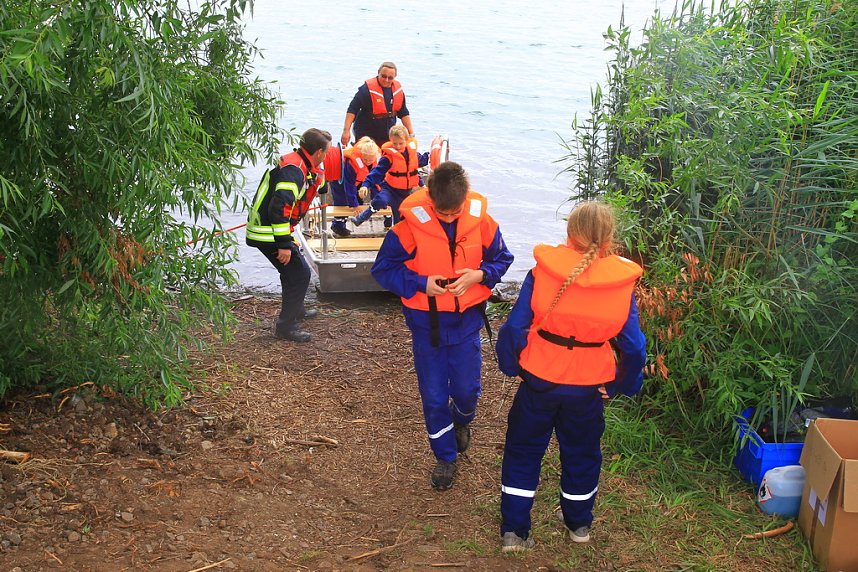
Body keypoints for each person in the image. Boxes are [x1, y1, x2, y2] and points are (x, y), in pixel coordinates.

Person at [495, 201, 646, 552]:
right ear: (609, 236)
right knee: (582, 453)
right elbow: (635, 348)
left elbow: (514, 329)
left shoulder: (544, 271)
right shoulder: (621, 282)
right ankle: (578, 525)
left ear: (570, 232)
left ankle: (514, 532)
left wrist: (513, 367)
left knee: (523, 452)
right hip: (588, 387)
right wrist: (620, 385)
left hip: (539, 379)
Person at [371, 161, 514, 490]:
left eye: (455, 213)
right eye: (441, 213)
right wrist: (421, 283)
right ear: (430, 198)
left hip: (466, 322)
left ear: (465, 200)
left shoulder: (482, 223)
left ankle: (461, 421)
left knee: (467, 392)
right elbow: (383, 269)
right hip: (427, 325)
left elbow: (502, 258)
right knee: (434, 397)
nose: (448, 218)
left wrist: (480, 275)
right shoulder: (409, 228)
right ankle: (445, 457)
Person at [245, 128, 332, 343]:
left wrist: (322, 184)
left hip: (271, 229)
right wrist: (284, 244)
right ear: (319, 152)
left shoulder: (302, 165)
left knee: (292, 272)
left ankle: (297, 310)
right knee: (300, 273)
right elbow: (279, 209)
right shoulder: (294, 171)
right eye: (326, 152)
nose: (326, 157)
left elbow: (315, 183)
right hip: (268, 231)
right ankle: (286, 326)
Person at [350, 125, 428, 228]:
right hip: (390, 189)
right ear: (391, 140)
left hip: (405, 192)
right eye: (395, 143)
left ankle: (398, 234)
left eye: (401, 143)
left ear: (406, 140)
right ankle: (363, 216)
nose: (398, 146)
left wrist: (433, 154)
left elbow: (417, 167)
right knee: (380, 200)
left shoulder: (413, 155)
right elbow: (376, 172)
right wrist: (365, 185)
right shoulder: (388, 158)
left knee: (400, 220)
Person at [341, 61, 415, 147]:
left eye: (390, 78)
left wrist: (411, 134)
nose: (386, 80)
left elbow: (404, 113)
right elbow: (352, 109)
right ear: (378, 73)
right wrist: (346, 131)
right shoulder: (365, 90)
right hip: (365, 133)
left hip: (387, 134)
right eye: (383, 76)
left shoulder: (397, 91)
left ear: (394, 77)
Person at [329, 136, 380, 238]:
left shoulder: (378, 160)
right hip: (340, 178)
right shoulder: (352, 163)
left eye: (371, 160)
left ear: (375, 156)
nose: (368, 162)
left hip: (358, 180)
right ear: (361, 154)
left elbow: (377, 182)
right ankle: (338, 225)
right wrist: (354, 205)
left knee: (359, 200)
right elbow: (349, 185)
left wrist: (377, 200)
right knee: (342, 201)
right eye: (365, 159)